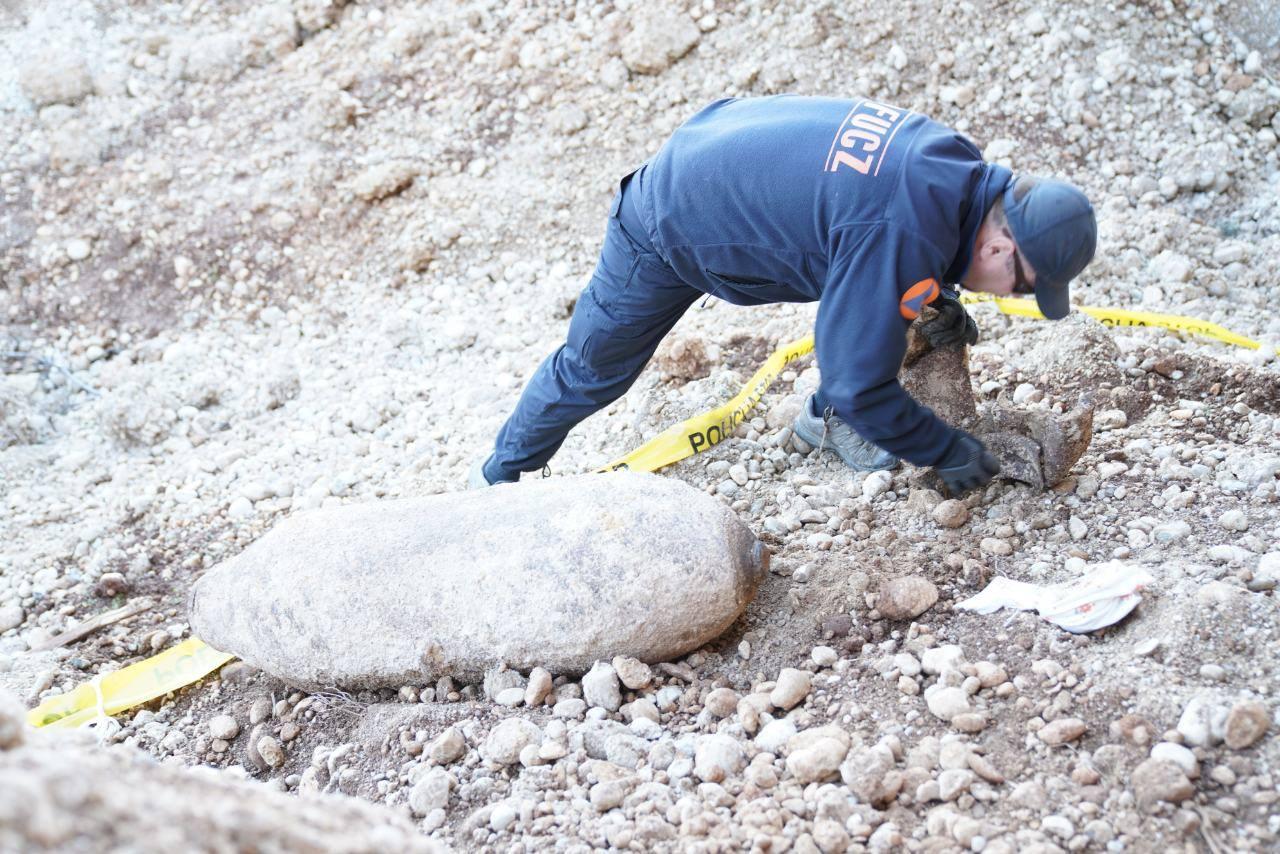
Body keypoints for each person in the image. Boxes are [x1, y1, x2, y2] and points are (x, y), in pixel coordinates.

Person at [468, 95, 1097, 494]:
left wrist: (937, 302)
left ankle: (824, 425)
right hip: (666, 223)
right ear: (998, 249)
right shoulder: (899, 234)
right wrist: (945, 449)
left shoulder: (956, 164)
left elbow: (876, 232)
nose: (1009, 295)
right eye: (1022, 287)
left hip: (724, 149)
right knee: (591, 370)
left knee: (884, 301)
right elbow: (857, 374)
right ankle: (497, 479)